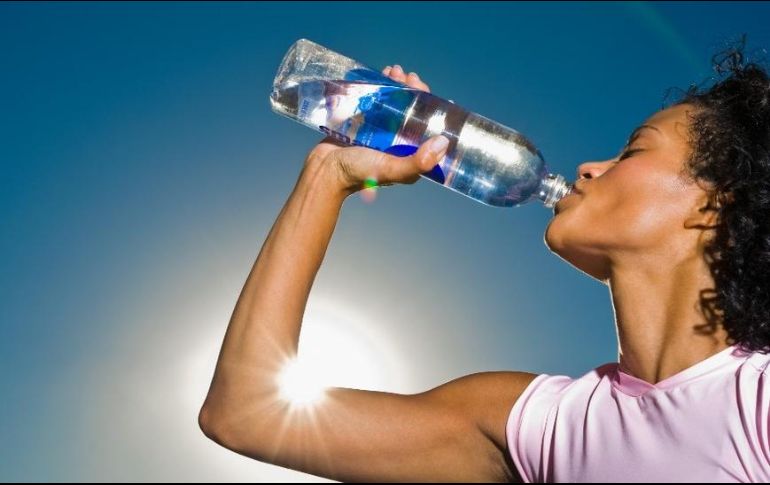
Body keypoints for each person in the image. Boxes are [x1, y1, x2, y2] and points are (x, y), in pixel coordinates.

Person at [198, 42, 770, 482]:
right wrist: (329, 175)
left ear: (715, 204)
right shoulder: (536, 423)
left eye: (634, 150)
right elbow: (245, 412)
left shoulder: (756, 398)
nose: (591, 167)